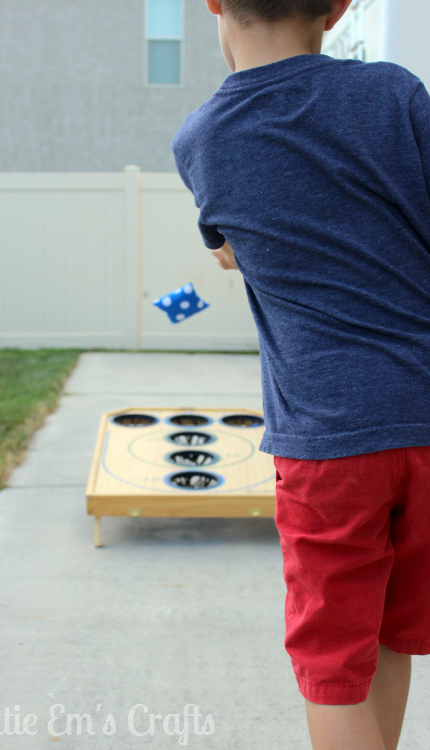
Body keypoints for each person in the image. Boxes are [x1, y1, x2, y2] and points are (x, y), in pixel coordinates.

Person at [170, 1, 430, 748]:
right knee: (389, 636)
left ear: (215, 3)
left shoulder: (204, 139)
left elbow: (229, 248)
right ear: (339, 6)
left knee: (331, 670)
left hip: (329, 442)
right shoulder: (394, 94)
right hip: (424, 423)